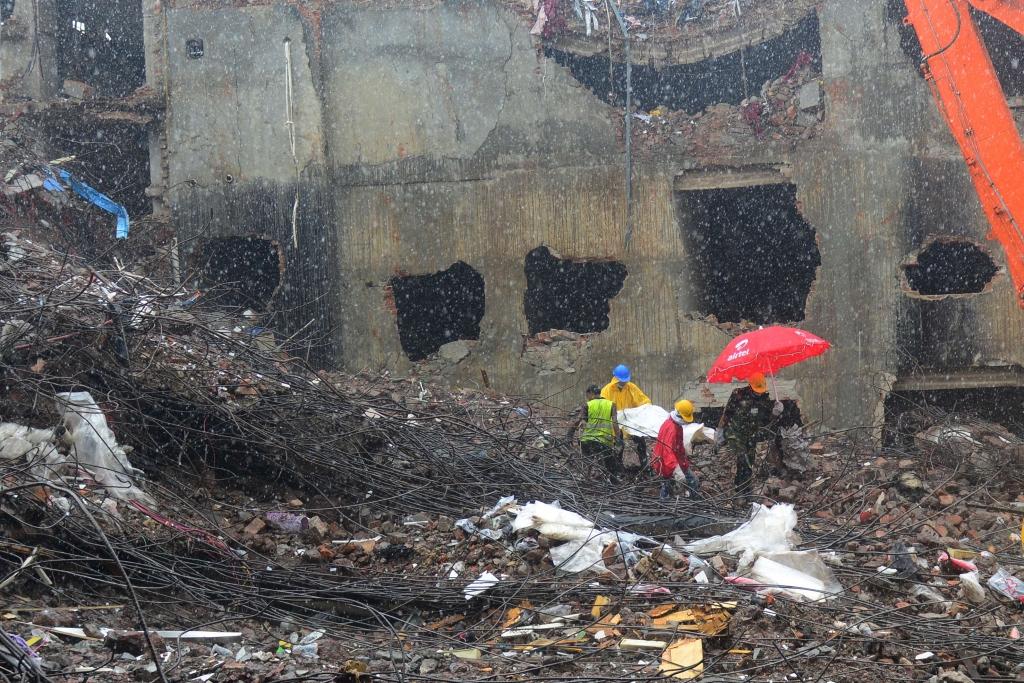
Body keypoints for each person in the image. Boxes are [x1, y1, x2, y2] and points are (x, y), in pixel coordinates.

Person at [716, 372, 784, 497]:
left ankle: (743, 489)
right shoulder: (738, 395)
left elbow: (767, 421)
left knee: (749, 462)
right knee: (743, 460)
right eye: (757, 390)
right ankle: (741, 490)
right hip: (735, 434)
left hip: (751, 436)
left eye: (760, 390)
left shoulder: (764, 400)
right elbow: (727, 414)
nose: (759, 393)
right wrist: (720, 431)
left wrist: (775, 413)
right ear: (750, 386)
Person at [566, 385, 624, 480]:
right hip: (604, 441)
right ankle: (610, 482)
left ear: (591, 393)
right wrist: (618, 440)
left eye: (587, 395)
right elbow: (615, 423)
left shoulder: (587, 405)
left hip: (587, 440)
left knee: (587, 462)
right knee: (610, 466)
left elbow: (577, 421)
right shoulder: (611, 404)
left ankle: (586, 479)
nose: (587, 398)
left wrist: (569, 435)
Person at [601, 364, 651, 467]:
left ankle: (644, 465)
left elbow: (643, 400)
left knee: (640, 442)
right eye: (622, 381)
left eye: (625, 381)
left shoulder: (631, 388)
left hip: (630, 422)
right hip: (615, 424)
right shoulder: (607, 391)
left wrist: (646, 408)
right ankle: (618, 467)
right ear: (616, 378)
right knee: (618, 446)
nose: (623, 383)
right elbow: (603, 408)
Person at [651, 399, 702, 500]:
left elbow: (677, 447)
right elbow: (667, 451)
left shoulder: (671, 423)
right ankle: (688, 502)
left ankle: (687, 501)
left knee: (671, 484)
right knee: (672, 485)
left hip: (671, 461)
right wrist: (676, 470)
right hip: (667, 464)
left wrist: (683, 462)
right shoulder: (672, 429)